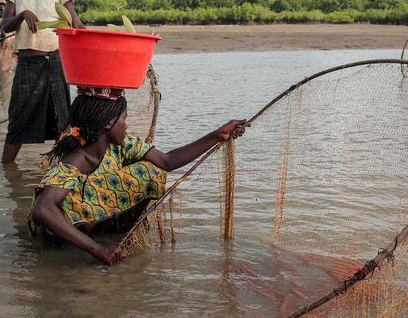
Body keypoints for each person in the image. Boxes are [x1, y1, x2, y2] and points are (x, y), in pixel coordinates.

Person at [28, 87, 247, 264]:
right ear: (108, 123)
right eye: (124, 118)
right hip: (63, 232)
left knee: (151, 171)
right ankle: (94, 240)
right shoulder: (75, 159)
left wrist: (217, 135)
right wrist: (98, 250)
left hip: (94, 219)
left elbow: (167, 162)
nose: (127, 125)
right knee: (64, 201)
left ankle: (122, 232)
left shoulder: (122, 145)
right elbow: (43, 209)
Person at [0, 0, 86, 164]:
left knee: (61, 119)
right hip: (29, 62)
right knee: (18, 118)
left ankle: (63, 170)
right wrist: (22, 15)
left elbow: (77, 25)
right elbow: (5, 26)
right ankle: (6, 169)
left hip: (56, 62)